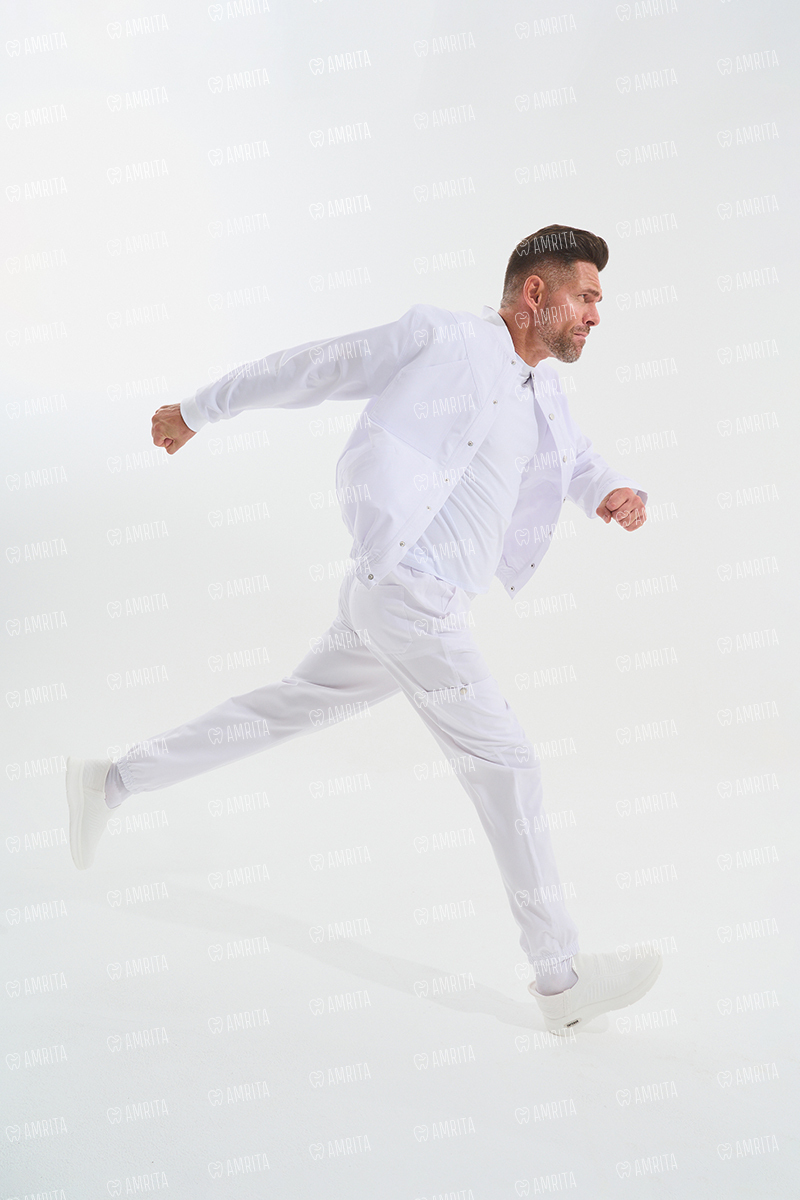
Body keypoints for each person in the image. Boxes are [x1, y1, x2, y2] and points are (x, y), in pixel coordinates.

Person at [66, 224, 662, 1034]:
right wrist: (198, 411)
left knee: (284, 708)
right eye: (586, 296)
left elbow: (577, 458)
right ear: (536, 293)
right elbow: (315, 366)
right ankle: (561, 979)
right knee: (506, 763)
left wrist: (611, 491)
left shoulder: (542, 391)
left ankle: (111, 781)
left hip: (395, 602)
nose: (595, 315)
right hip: (411, 596)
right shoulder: (442, 337)